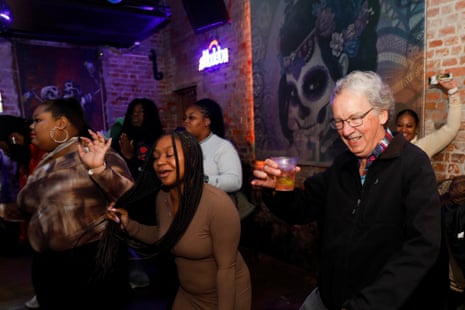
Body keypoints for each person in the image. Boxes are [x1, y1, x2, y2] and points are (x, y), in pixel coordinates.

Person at [251, 70, 448, 309]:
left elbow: (422, 247)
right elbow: (303, 207)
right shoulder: (343, 165)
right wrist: (278, 191)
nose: (346, 130)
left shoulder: (412, 165)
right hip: (329, 296)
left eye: (355, 118)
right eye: (340, 121)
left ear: (382, 114)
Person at [106, 131, 252, 309]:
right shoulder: (163, 197)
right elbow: (165, 236)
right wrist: (129, 225)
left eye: (170, 155)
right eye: (156, 157)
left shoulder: (218, 204)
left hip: (224, 296)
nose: (160, 162)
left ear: (191, 159)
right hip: (188, 294)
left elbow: (226, 269)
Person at [16, 97, 135, 309]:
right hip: (50, 269)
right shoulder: (46, 163)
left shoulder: (95, 153)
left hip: (90, 266)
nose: (31, 127)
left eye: (37, 120)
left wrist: (99, 169)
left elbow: (129, 197)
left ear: (61, 123)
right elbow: (31, 207)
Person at [183, 98, 242, 192]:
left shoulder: (222, 146)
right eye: (185, 118)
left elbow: (234, 182)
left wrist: (202, 179)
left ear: (206, 121)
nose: (186, 122)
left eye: (191, 118)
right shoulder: (184, 145)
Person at [395, 76, 462, 158]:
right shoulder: (389, 147)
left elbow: (451, 128)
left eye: (409, 126)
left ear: (416, 128)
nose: (403, 130)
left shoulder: (423, 146)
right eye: (399, 125)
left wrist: (453, 92)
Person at [112, 98, 164, 180]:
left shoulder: (160, 140)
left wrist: (131, 157)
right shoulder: (123, 137)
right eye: (133, 112)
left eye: (140, 112)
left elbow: (154, 173)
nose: (135, 115)